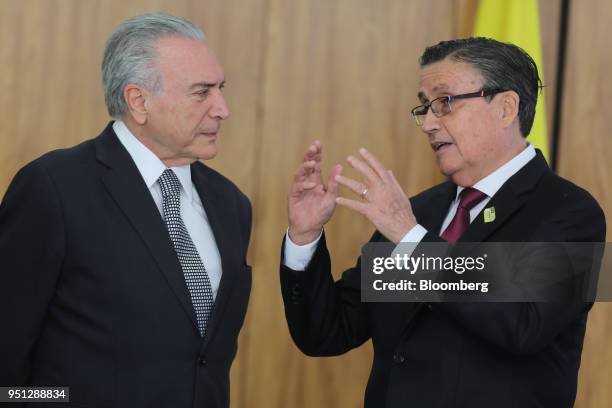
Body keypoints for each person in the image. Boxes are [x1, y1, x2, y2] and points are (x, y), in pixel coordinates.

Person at [281, 37, 606, 407]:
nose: (428, 124)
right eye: (425, 107)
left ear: (505, 108)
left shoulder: (571, 213)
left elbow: (524, 325)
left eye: (444, 102)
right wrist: (304, 238)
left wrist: (412, 240)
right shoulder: (419, 212)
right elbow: (328, 333)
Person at [0, 13, 251, 408]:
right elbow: (6, 352)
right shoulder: (54, 187)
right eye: (202, 92)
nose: (223, 109)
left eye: (221, 88)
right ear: (139, 101)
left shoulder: (231, 204)